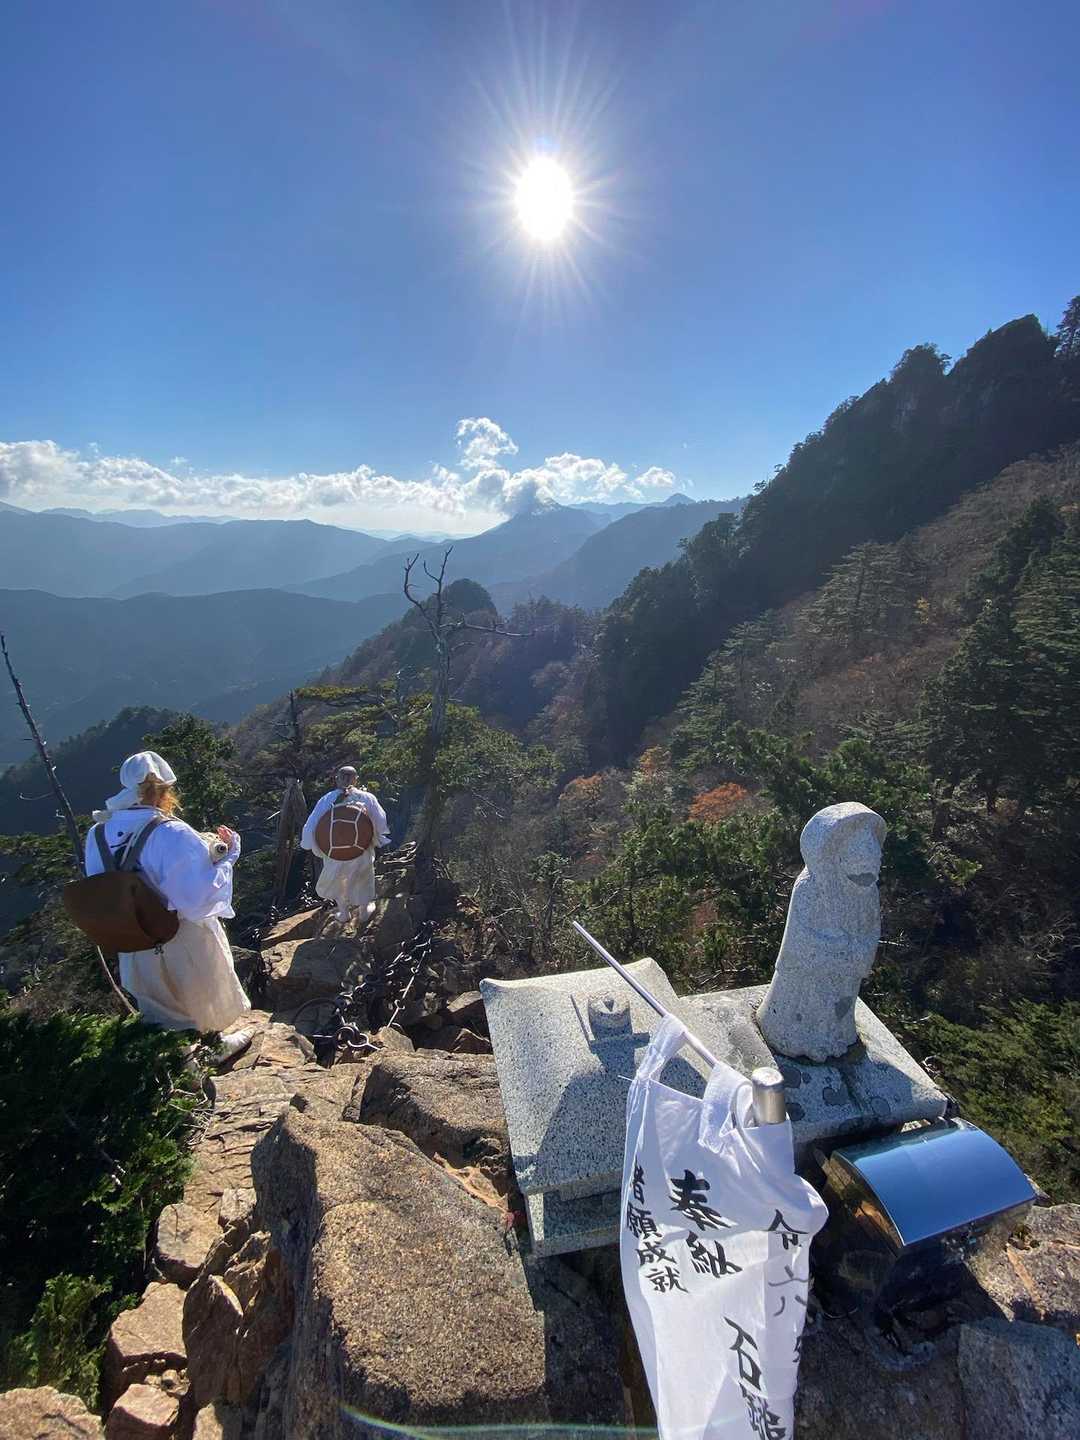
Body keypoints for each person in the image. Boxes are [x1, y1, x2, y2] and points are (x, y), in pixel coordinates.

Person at [85, 751, 253, 1062]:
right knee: (197, 995)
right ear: (164, 790)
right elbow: (197, 899)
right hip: (176, 934)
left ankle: (179, 1062)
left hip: (131, 938)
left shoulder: (96, 834)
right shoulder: (170, 831)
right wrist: (229, 857)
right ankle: (212, 1049)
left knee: (160, 1007)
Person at [301, 765, 389, 925]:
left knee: (338, 878)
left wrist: (315, 845)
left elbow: (311, 826)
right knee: (363, 877)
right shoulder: (367, 797)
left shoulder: (326, 799)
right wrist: (374, 838)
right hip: (360, 848)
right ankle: (364, 911)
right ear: (356, 780)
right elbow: (381, 822)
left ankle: (344, 912)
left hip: (334, 851)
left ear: (337, 779)